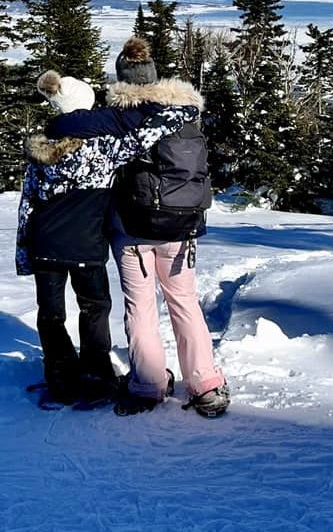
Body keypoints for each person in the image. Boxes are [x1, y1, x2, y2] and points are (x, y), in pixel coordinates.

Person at [45, 37, 230, 417]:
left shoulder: (123, 115)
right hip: (181, 227)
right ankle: (205, 384)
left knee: (140, 306)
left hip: (132, 228)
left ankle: (148, 384)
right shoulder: (187, 110)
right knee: (184, 301)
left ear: (123, 80)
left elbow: (61, 123)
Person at [16, 69, 200, 408]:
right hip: (87, 244)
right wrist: (184, 110)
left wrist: (24, 254)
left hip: (45, 246)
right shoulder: (102, 150)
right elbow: (144, 137)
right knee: (95, 308)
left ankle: (60, 378)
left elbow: (27, 205)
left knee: (51, 313)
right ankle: (97, 374)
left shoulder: (40, 154)